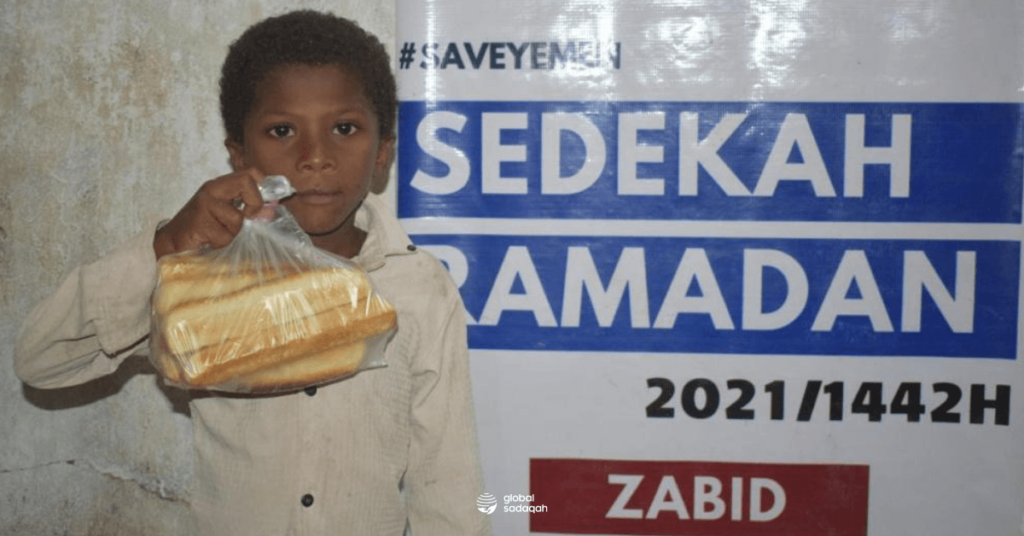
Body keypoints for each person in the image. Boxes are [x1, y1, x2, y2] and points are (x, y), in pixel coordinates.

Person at [14, 10, 490, 535]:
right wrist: (164, 246)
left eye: (344, 128)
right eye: (282, 130)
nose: (314, 158)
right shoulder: (197, 277)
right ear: (239, 156)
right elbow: (41, 362)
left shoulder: (418, 286)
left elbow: (448, 485)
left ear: (382, 155)